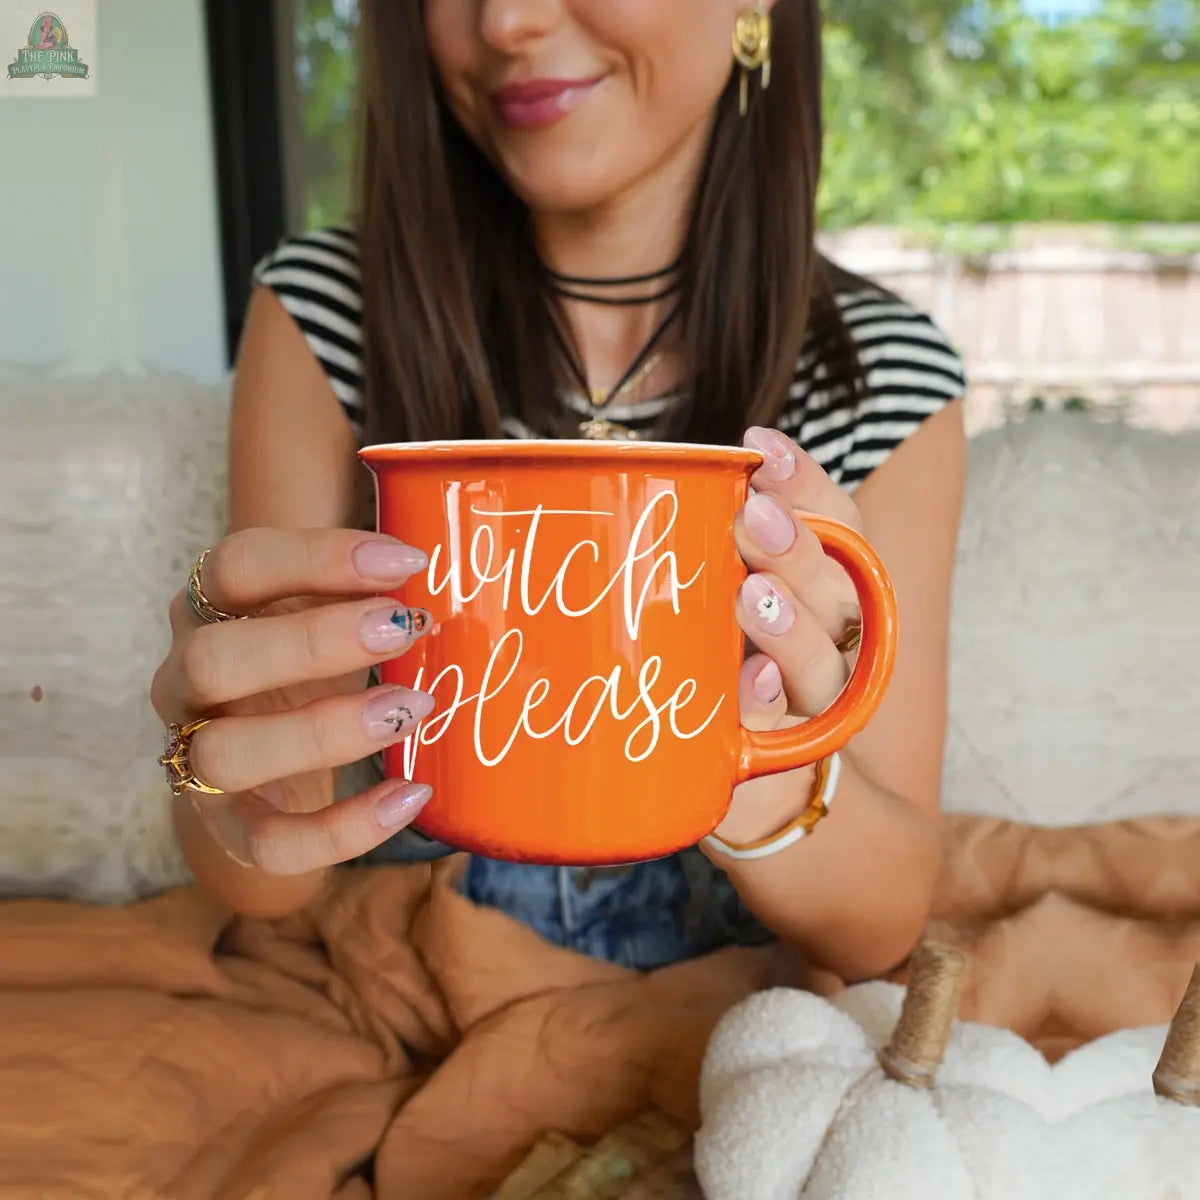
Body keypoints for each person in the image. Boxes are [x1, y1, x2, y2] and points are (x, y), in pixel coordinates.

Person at [152, 0, 966, 982]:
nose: (505, 21)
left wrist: (741, 756)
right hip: (420, 974)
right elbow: (264, 882)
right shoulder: (325, 310)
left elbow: (881, 926)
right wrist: (227, 768)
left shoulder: (883, 373)